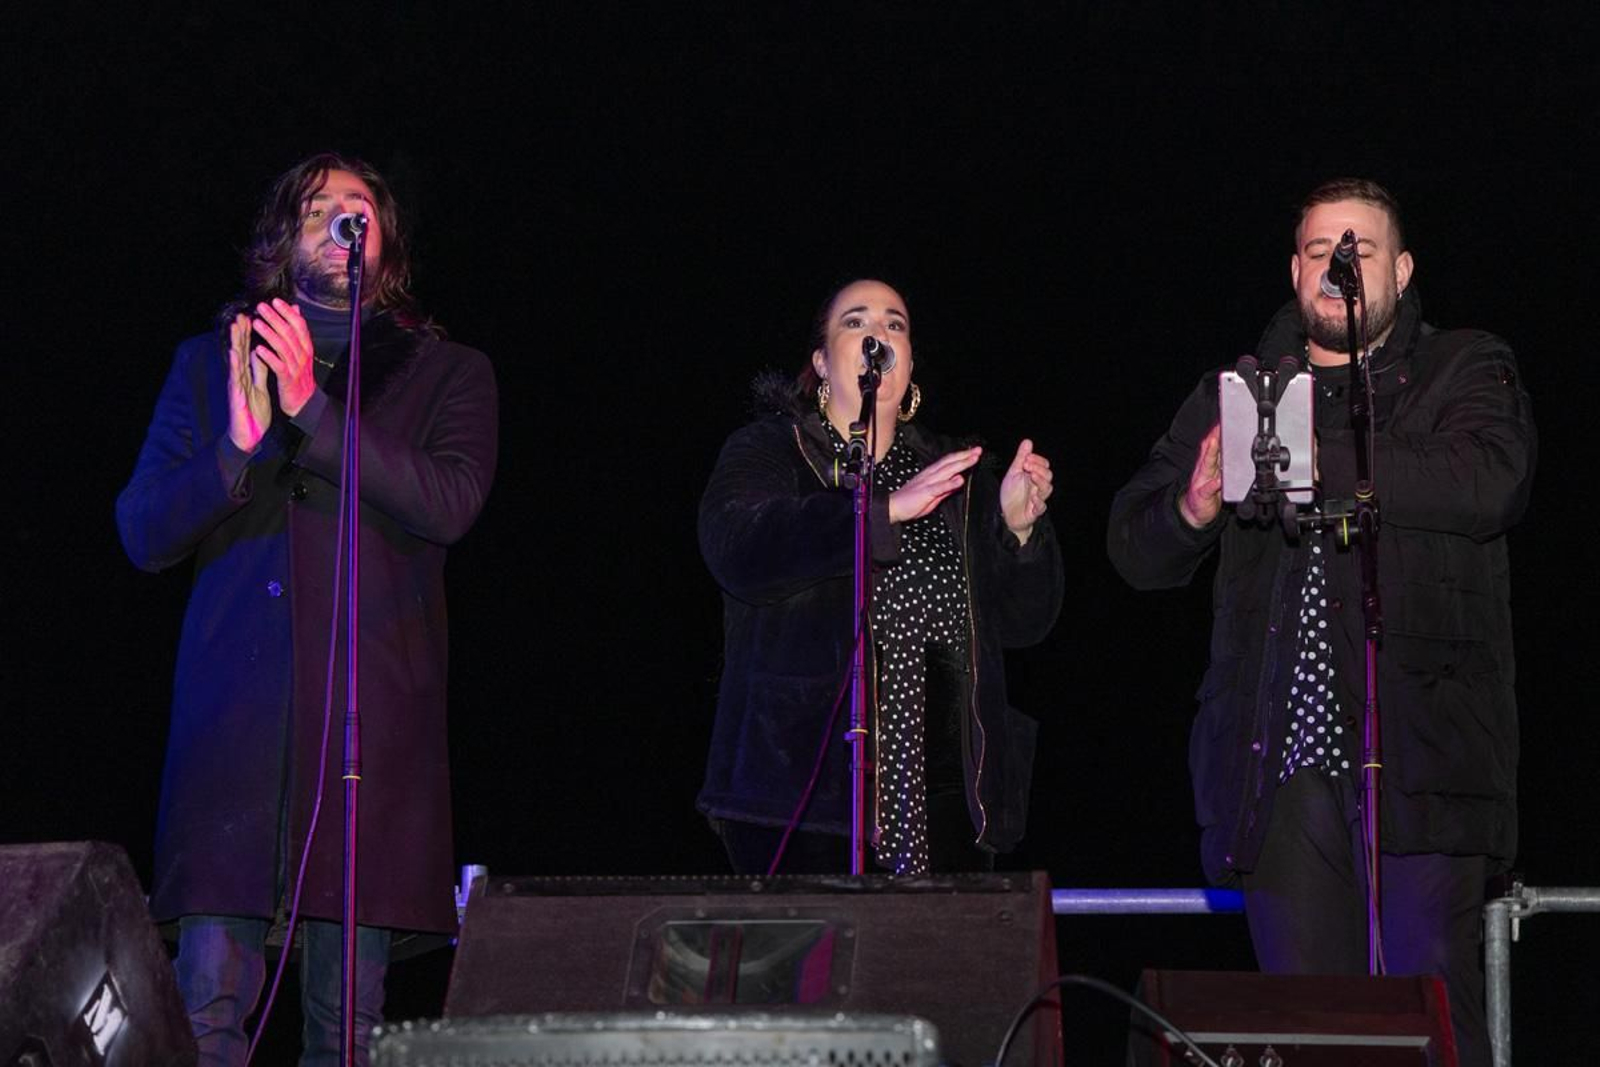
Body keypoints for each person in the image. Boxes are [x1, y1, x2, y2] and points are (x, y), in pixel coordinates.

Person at [1107, 178, 1534, 1067]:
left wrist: (1298, 452)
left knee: (1433, 1023)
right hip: (1280, 766)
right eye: (1316, 251)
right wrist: (1192, 506)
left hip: (1422, 761)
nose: (1336, 265)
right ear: (1293, 271)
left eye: (1360, 250)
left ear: (1403, 270)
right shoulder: (1240, 390)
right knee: (1313, 1033)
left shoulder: (1465, 367)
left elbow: (1490, 480)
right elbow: (1133, 545)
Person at [116, 152, 498, 1065]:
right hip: (235, 737)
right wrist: (235, 448)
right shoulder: (210, 364)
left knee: (350, 1033)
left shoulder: (447, 373)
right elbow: (141, 530)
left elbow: (449, 501)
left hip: (369, 736)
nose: (339, 217)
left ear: (384, 241)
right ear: (283, 238)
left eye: (357, 206)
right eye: (317, 206)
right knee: (207, 1021)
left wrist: (313, 413)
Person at [697, 278, 1064, 877]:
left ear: (910, 359)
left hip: (948, 799)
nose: (879, 335)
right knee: (820, 970)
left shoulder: (955, 475)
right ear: (821, 361)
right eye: (856, 322)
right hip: (802, 796)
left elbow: (1024, 623)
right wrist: (882, 509)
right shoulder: (772, 451)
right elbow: (740, 550)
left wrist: (1019, 531)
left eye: (896, 324)